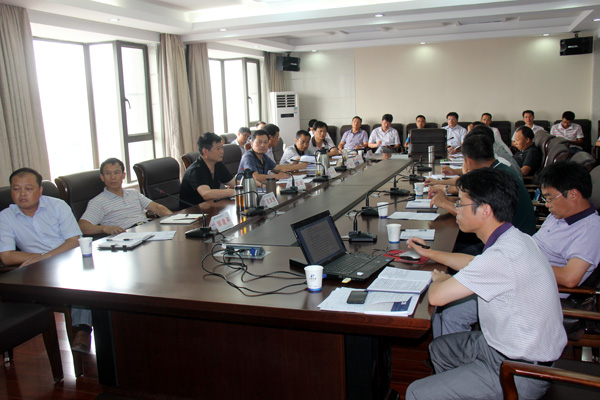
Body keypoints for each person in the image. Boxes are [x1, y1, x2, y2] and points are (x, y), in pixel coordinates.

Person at [405, 168, 567, 400]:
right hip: (507, 348)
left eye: (461, 203)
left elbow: (436, 296)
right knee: (440, 349)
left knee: (416, 392)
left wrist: (441, 278)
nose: (456, 209)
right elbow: (475, 263)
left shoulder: (501, 256)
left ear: (485, 210)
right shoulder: (515, 238)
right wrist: (430, 253)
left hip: (519, 371)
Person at [0, 168, 90, 352]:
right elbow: (7, 256)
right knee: (82, 282)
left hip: (69, 259)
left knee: (89, 279)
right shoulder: (5, 217)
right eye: (16, 189)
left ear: (40, 190)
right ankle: (84, 329)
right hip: (38, 272)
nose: (22, 194)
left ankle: (86, 328)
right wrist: (43, 260)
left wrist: (47, 256)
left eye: (28, 188)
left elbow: (74, 241)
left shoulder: (57, 206)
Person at [428, 127, 536, 235]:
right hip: (512, 233)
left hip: (510, 239)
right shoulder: (496, 169)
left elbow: (471, 215)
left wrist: (444, 203)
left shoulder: (495, 177)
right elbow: (476, 203)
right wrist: (448, 198)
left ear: (469, 161)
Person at [535, 162, 600, 291]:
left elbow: (569, 278)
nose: (547, 205)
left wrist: (524, 265)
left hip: (538, 289)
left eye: (550, 199)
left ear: (573, 195)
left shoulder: (591, 230)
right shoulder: (560, 214)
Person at [79, 158, 172, 236]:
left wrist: (174, 219)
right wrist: (105, 228)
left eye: (116, 173)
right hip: (126, 237)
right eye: (108, 173)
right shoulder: (98, 201)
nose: (112, 177)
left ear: (123, 175)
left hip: (146, 230)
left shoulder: (133, 193)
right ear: (102, 177)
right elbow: (83, 226)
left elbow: (157, 208)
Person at [179, 132, 238, 207]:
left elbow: (234, 183)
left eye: (222, 148)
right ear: (205, 152)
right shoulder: (195, 170)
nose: (222, 152)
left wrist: (249, 183)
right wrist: (230, 192)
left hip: (211, 207)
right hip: (192, 211)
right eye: (218, 149)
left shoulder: (218, 165)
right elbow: (206, 194)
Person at [238, 130, 306, 183]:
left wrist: (295, 165)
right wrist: (277, 176)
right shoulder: (248, 157)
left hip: (261, 187)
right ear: (252, 144)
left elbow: (278, 168)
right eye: (259, 142)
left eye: (265, 142)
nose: (263, 145)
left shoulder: (264, 156)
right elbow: (256, 177)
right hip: (246, 191)